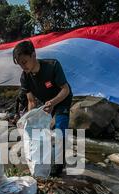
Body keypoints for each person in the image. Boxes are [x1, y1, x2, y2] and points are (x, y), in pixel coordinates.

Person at [12, 40, 73, 176]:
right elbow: (31, 101)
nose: (23, 66)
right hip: (47, 104)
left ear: (33, 55)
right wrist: (28, 119)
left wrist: (53, 102)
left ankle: (58, 165)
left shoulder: (53, 66)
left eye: (24, 62)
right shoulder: (25, 77)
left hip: (62, 100)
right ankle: (42, 158)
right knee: (38, 131)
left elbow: (66, 89)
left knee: (59, 130)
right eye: (20, 64)